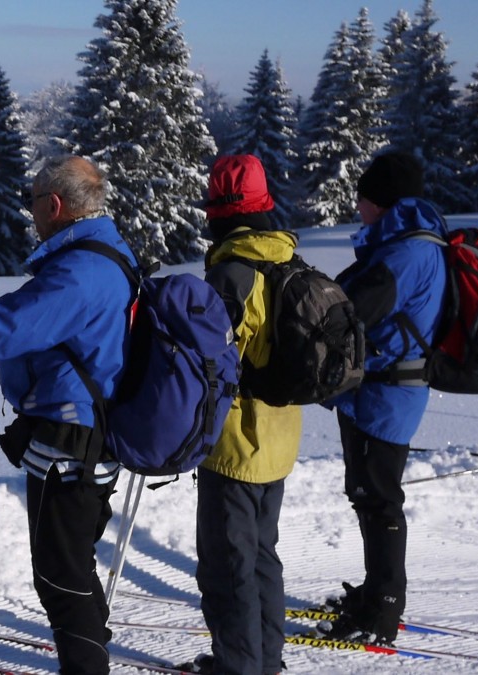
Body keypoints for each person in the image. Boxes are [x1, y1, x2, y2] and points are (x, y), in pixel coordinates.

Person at [0, 155, 133, 675]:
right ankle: (91, 644)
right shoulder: (104, 253)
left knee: (59, 575)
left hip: (69, 442)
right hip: (90, 432)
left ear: (53, 205)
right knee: (74, 560)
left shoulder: (78, 274)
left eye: (32, 200)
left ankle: (86, 661)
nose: (30, 211)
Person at [318, 150, 448, 646]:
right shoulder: (406, 242)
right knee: (370, 496)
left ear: (381, 201)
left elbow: (355, 310)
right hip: (383, 390)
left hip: (388, 395)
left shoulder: (406, 253)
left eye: (363, 197)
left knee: (380, 502)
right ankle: (376, 595)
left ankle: (383, 610)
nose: (356, 205)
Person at [182, 154, 303, 675]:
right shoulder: (284, 260)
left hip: (235, 444)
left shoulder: (233, 274)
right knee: (261, 557)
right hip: (279, 440)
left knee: (227, 566)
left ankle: (237, 667)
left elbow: (205, 358)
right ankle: (264, 661)